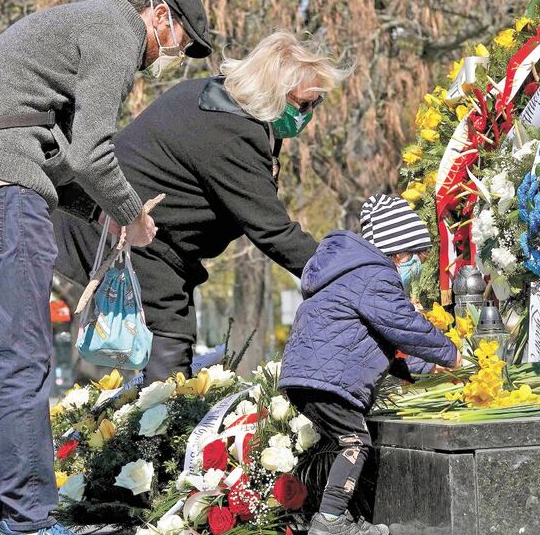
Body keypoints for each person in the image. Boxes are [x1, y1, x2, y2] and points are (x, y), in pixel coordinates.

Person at [0, 0, 211, 535]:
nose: (174, 57)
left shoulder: (74, 24)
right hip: (8, 195)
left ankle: (9, 520)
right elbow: (91, 149)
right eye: (182, 43)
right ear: (159, 15)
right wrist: (132, 214)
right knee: (24, 358)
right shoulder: (115, 30)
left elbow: (54, 149)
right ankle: (26, 528)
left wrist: (101, 214)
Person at [54, 30, 351, 382]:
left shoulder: (224, 103)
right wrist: (347, 274)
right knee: (170, 338)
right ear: (274, 90)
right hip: (123, 230)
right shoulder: (230, 129)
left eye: (316, 104)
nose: (309, 114)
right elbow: (272, 230)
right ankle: (157, 426)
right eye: (304, 104)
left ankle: (152, 417)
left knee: (169, 338)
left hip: (140, 236)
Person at [278, 194, 461, 535]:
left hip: (305, 377)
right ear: (398, 253)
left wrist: (425, 366)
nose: (421, 263)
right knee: (354, 441)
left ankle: (326, 510)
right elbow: (404, 325)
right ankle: (331, 518)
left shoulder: (344, 277)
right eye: (418, 255)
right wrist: (451, 354)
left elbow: (378, 342)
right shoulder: (374, 275)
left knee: (339, 442)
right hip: (327, 380)